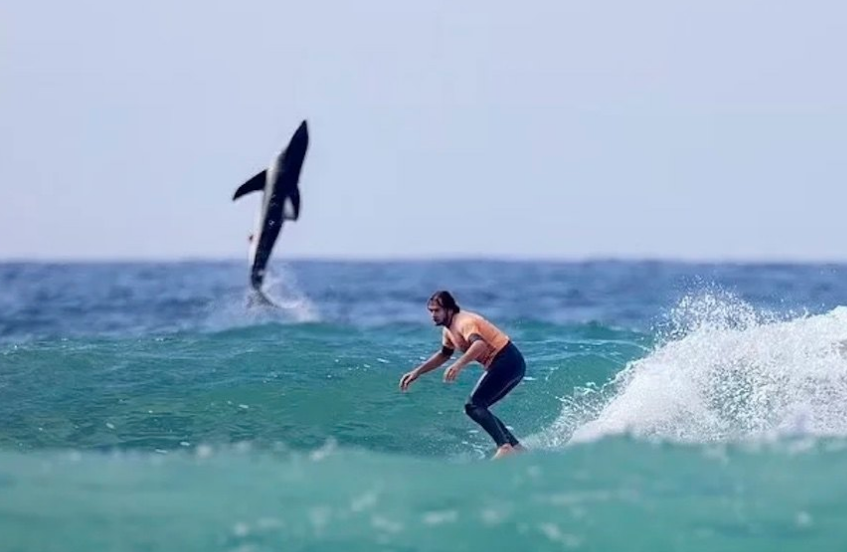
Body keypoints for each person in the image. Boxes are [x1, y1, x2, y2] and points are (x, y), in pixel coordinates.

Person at [399, 290, 527, 459]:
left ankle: (504, 447)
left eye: (437, 310)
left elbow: (479, 344)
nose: (433, 315)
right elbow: (444, 354)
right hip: (510, 363)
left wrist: (459, 364)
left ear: (449, 309)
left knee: (474, 406)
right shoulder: (449, 330)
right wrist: (417, 372)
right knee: (478, 406)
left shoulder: (464, 322)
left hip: (507, 360)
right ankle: (516, 448)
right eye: (431, 311)